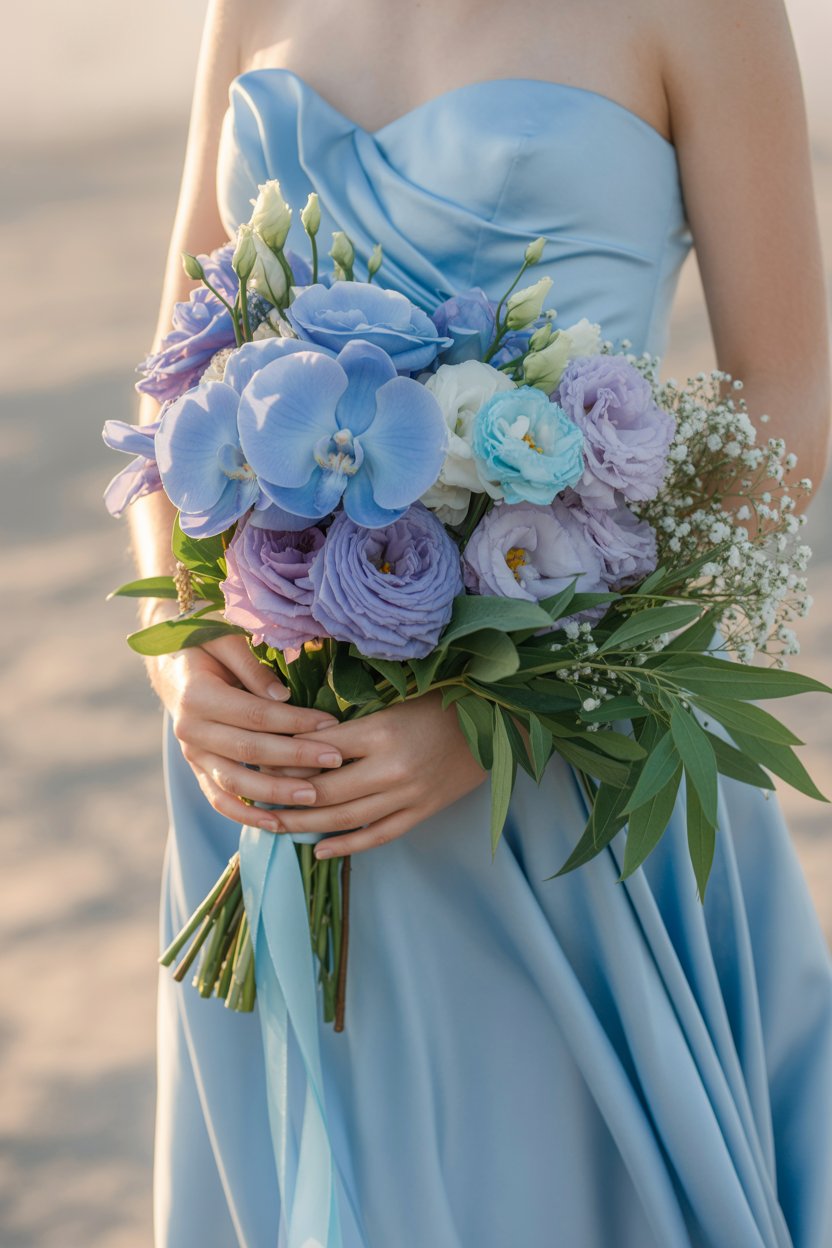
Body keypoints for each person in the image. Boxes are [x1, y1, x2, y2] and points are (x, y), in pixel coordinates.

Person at [131, 1, 832, 1244]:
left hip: (562, 758)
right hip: (279, 755)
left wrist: (503, 719)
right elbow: (175, 365)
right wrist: (185, 651)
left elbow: (783, 390)